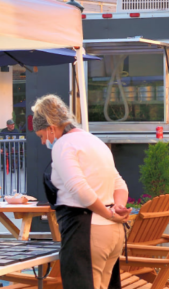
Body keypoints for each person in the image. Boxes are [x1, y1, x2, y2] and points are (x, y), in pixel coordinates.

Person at [31, 94, 130, 289]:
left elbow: (79, 189)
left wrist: (109, 214)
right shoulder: (95, 141)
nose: (43, 142)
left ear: (51, 127)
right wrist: (117, 208)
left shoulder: (63, 145)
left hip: (85, 230)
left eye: (42, 136)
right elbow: (119, 184)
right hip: (113, 234)